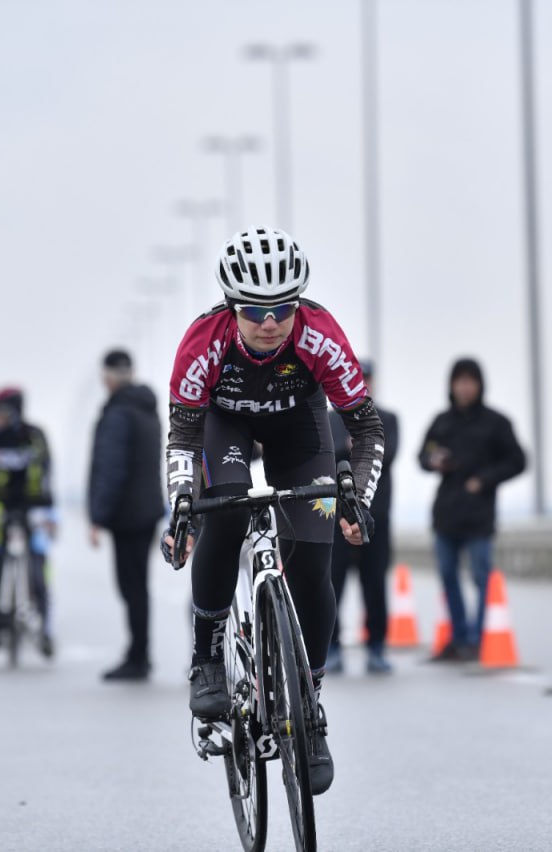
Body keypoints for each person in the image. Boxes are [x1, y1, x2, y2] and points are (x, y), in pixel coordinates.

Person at [161, 228, 384, 795]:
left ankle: (307, 705)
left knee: (313, 560)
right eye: (256, 310)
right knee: (229, 511)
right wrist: (183, 505)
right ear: (233, 307)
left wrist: (357, 494)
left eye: (283, 308)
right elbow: (183, 437)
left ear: (298, 303)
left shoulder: (319, 334)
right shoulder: (203, 341)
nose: (270, 322)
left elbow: (365, 426)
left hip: (297, 428)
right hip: (224, 425)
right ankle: (207, 657)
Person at [418, 358, 526, 662]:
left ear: (479, 385)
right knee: (448, 577)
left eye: (470, 381)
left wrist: (485, 479)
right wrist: (433, 461)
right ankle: (459, 638)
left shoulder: (496, 423)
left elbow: (518, 461)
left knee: (481, 577)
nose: (465, 387)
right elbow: (422, 456)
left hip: (479, 514)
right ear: (451, 385)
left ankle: (479, 639)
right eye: (459, 381)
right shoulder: (441, 421)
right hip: (446, 514)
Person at [88, 349, 166, 682]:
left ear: (108, 377)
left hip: (126, 514)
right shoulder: (148, 409)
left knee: (131, 587)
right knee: (139, 586)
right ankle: (139, 652)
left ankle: (138, 656)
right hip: (147, 510)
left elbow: (111, 468)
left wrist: (98, 517)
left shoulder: (118, 413)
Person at [325, 359, 399, 675]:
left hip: (375, 515)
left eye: (366, 378)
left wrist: (354, 449)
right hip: (335, 516)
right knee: (331, 585)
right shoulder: (329, 419)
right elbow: (326, 456)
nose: (363, 383)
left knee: (375, 585)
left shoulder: (388, 418)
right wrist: (354, 446)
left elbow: (388, 452)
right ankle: (331, 648)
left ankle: (377, 648)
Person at [0, 387, 56, 657]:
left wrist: (46, 511)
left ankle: (45, 628)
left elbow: (46, 471)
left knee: (38, 567)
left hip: (34, 507)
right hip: (1, 508)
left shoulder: (35, 436)